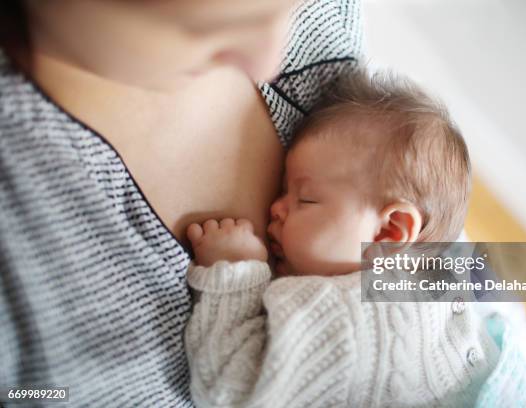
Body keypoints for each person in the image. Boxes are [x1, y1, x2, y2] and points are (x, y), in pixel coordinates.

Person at [0, 0, 362, 405]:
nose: (267, 62)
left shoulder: (322, 15)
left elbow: (442, 280)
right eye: (203, 29)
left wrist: (402, 271)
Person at [183, 70, 526, 407]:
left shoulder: (346, 322)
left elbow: (230, 392)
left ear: (389, 232)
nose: (276, 208)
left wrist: (233, 273)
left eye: (305, 198)